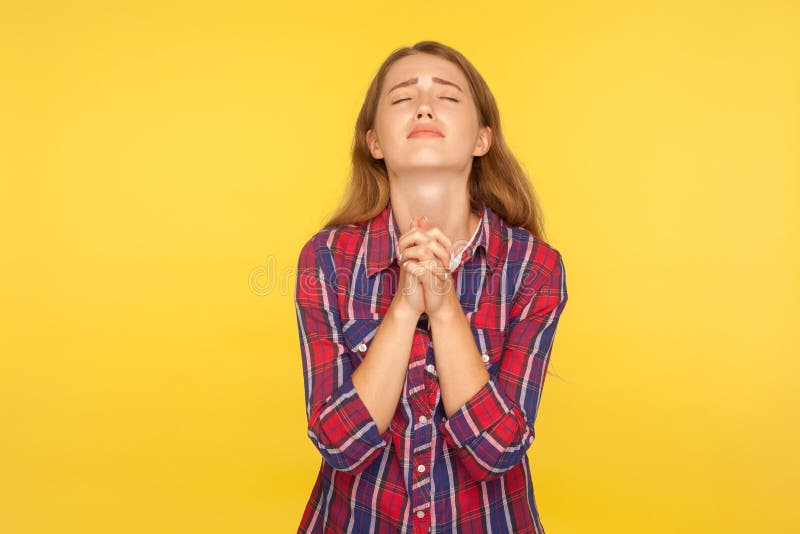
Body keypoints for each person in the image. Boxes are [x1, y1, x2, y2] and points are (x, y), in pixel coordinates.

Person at [294, 40, 569, 534]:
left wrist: (444, 310)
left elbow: (497, 451)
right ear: (374, 142)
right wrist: (404, 307)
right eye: (401, 99)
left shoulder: (535, 268)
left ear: (482, 138)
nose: (423, 106)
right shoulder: (326, 260)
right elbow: (341, 444)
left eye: (447, 97)